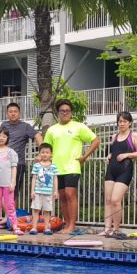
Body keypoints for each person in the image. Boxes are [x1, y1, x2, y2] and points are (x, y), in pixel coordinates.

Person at [42, 100, 99, 235]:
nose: (65, 113)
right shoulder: (52, 130)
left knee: (70, 194)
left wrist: (85, 156)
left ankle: (72, 225)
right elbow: (46, 148)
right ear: (58, 113)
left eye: (67, 111)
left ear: (71, 113)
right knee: (62, 196)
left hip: (72, 166)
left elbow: (96, 140)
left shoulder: (79, 127)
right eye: (62, 111)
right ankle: (67, 224)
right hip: (57, 168)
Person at [101, 112, 137, 239]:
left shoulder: (134, 136)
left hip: (125, 170)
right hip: (111, 169)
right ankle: (107, 229)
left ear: (130, 123)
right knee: (108, 200)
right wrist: (109, 156)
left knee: (115, 200)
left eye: (125, 121)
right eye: (120, 121)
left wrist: (127, 155)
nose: (122, 123)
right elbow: (114, 151)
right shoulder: (114, 136)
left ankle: (116, 229)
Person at [0, 102, 43, 198]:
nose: (13, 113)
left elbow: (38, 136)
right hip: (2, 163)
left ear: (19, 113)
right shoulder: (3, 125)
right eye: (10, 112)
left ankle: (12, 209)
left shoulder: (25, 126)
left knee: (12, 193)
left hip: (18, 164)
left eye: (15, 111)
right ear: (7, 114)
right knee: (1, 193)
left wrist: (41, 153)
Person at [0, 127, 22, 235]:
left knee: (10, 205)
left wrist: (13, 182)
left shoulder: (11, 152)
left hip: (8, 184)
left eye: (4, 136)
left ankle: (15, 226)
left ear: (7, 138)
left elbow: (14, 168)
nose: (1, 138)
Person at [28, 143, 59, 235]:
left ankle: (46, 228)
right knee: (35, 210)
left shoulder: (53, 166)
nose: (45, 154)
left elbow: (55, 178)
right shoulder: (37, 165)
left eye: (47, 152)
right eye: (43, 152)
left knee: (47, 210)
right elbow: (34, 178)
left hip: (48, 193)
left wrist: (56, 190)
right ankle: (34, 228)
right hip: (37, 192)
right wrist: (32, 191)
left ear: (51, 154)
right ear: (39, 153)